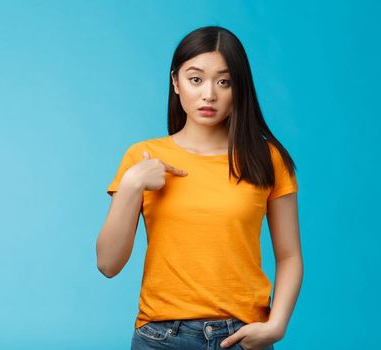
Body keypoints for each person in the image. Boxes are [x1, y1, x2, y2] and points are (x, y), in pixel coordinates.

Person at [96, 26, 302, 350]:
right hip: (160, 338)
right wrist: (133, 183)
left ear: (240, 88)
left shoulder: (266, 158)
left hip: (241, 337)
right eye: (196, 79)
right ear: (176, 82)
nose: (209, 94)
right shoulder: (142, 157)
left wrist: (277, 325)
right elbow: (108, 264)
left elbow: (289, 255)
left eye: (224, 82)